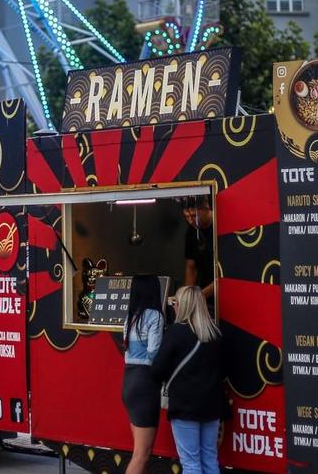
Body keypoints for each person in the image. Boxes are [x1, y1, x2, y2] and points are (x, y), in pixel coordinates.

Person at [152, 285, 225, 474]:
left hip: (185, 406)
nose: (173, 306)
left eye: (174, 302)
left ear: (183, 305)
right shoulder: (215, 333)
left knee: (191, 463)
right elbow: (224, 370)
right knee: (209, 458)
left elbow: (157, 370)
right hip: (212, 405)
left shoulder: (176, 332)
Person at [121, 275, 165, 474]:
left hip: (129, 381)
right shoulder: (155, 315)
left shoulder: (131, 316)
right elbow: (154, 352)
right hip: (145, 382)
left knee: (139, 451)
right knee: (142, 454)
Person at [183, 197, 214, 301]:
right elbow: (191, 267)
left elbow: (225, 277)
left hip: (227, 290)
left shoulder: (221, 227)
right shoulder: (191, 232)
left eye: (194, 216)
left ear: (207, 209)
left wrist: (198, 297)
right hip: (204, 291)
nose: (191, 221)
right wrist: (186, 296)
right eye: (187, 217)